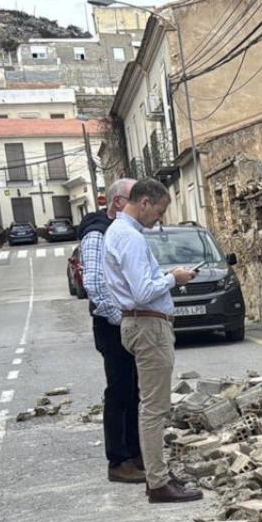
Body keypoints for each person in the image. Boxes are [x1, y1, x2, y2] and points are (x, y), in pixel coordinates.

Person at [103, 179, 201, 503]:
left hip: (140, 325)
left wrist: (167, 275)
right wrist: (174, 278)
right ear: (143, 202)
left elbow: (141, 284)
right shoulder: (129, 237)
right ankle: (157, 482)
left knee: (152, 405)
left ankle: (158, 473)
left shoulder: (121, 233)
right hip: (148, 327)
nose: (158, 219)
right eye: (158, 212)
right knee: (154, 408)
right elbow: (143, 292)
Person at [80, 179, 144, 484]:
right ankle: (118, 461)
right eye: (136, 198)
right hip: (112, 325)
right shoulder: (96, 235)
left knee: (134, 390)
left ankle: (135, 453)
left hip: (128, 322)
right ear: (119, 203)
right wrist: (123, 320)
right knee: (119, 391)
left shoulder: (123, 231)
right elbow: (94, 285)